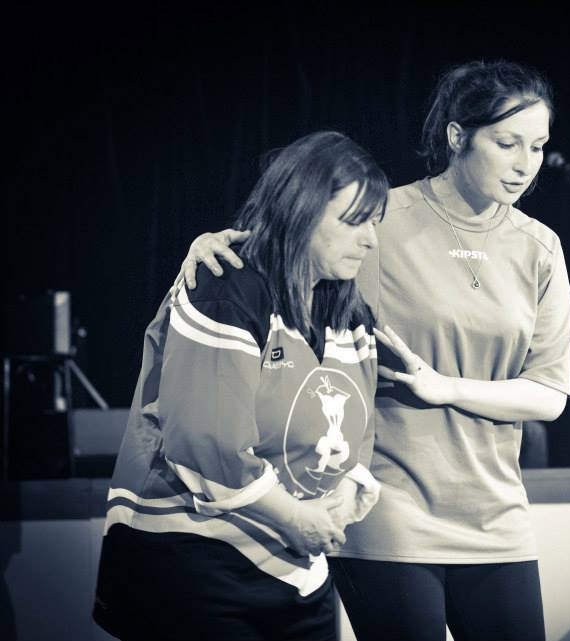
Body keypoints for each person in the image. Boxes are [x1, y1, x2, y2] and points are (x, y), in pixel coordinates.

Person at [181, 60, 570, 641]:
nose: (525, 164)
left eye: (537, 147)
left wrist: (445, 387)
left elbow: (549, 394)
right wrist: (215, 244)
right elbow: (279, 254)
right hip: (387, 505)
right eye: (507, 143)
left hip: (497, 512)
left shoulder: (540, 246)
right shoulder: (381, 217)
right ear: (457, 136)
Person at [93, 131, 388, 641]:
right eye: (353, 221)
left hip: (299, 570)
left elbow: (357, 432)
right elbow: (206, 443)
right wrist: (295, 517)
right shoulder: (226, 285)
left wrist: (341, 497)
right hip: (195, 562)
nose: (371, 240)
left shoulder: (346, 309)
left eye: (374, 223)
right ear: (298, 212)